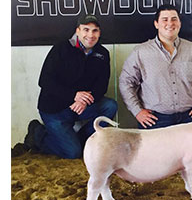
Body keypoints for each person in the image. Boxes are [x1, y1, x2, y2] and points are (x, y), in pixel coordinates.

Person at [12, 14, 117, 159]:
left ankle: (82, 140)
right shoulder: (61, 48)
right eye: (86, 30)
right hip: (55, 110)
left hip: (81, 106)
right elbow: (45, 81)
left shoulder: (102, 53)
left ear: (99, 33)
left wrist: (83, 100)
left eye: (95, 31)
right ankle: (37, 134)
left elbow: (101, 86)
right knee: (73, 153)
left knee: (110, 106)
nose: (90, 35)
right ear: (78, 31)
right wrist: (74, 96)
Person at [119, 4, 192, 129]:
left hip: (190, 119)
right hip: (155, 121)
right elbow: (125, 82)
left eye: (174, 19)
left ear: (180, 23)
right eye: (165, 19)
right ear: (156, 24)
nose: (170, 23)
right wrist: (137, 111)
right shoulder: (140, 52)